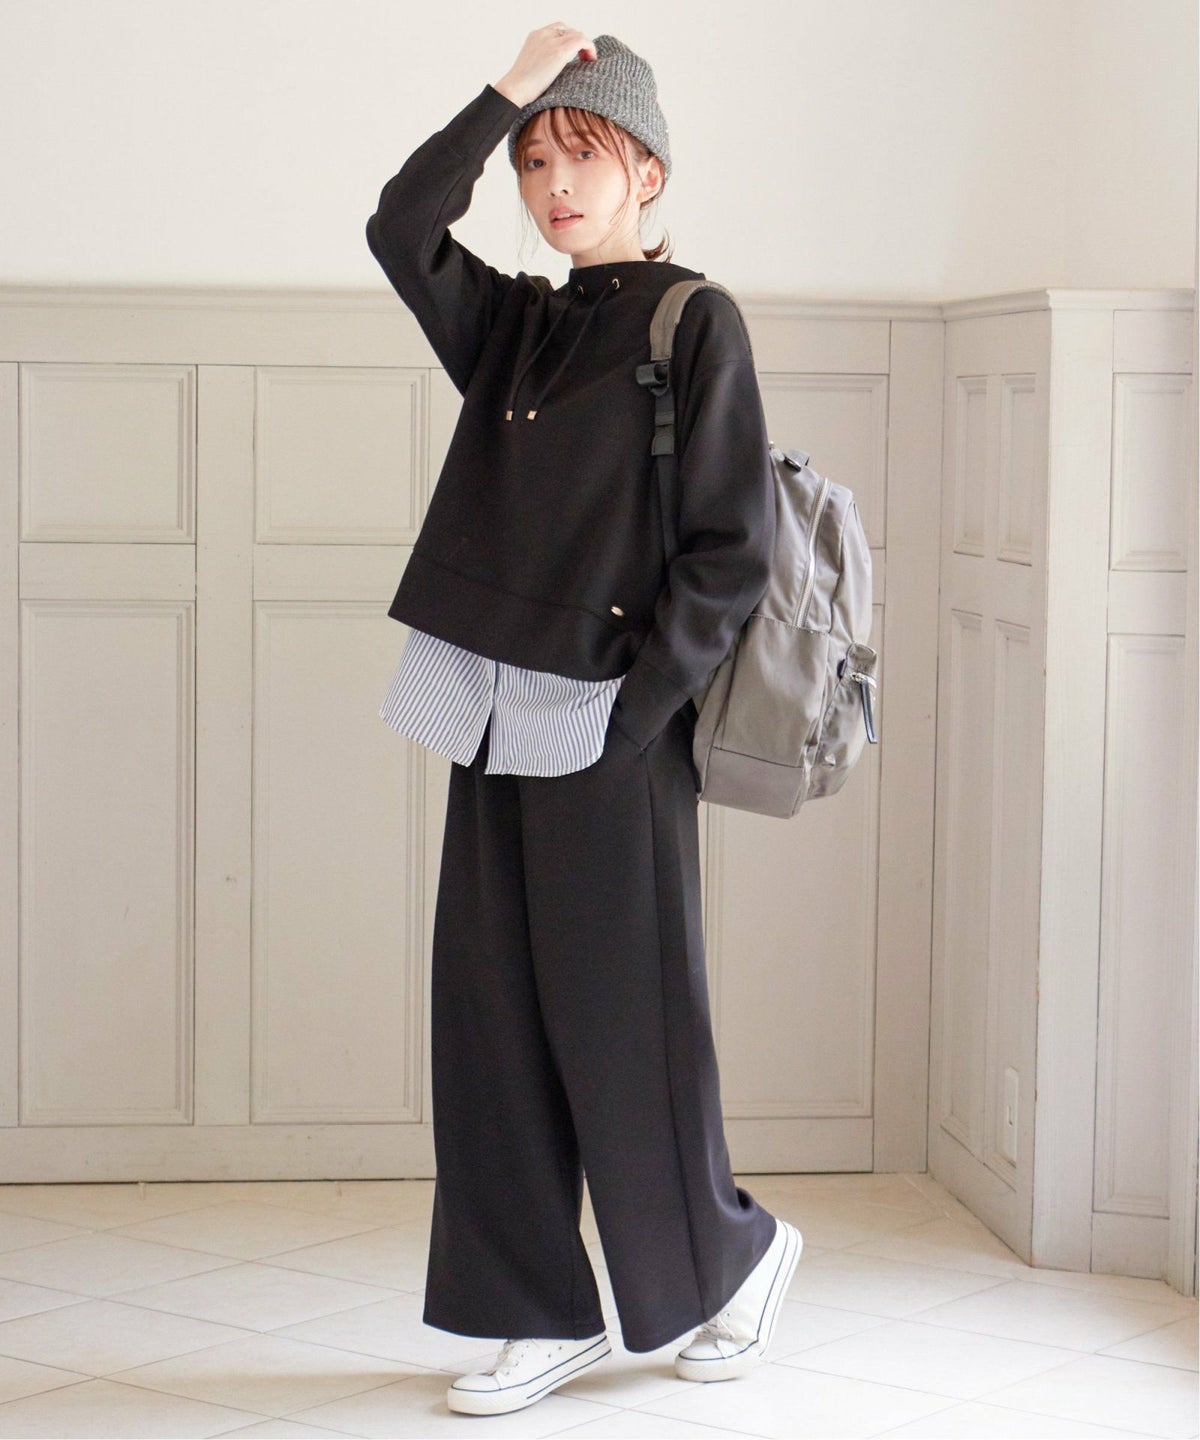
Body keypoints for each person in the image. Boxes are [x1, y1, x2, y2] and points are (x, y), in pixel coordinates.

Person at [366, 22, 803, 1418]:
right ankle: (533, 1314)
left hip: (614, 720)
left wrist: (636, 716)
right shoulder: (517, 324)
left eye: (583, 156)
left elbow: (731, 549)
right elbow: (398, 225)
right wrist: (506, 90)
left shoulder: (694, 321)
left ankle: (731, 1261)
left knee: (630, 1023)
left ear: (647, 171)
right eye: (534, 162)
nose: (553, 186)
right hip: (493, 706)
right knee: (490, 1022)